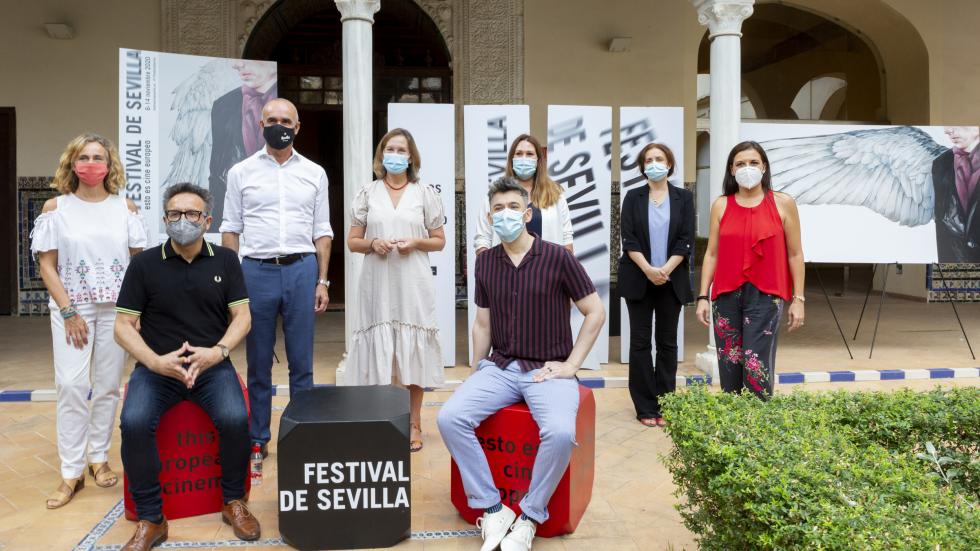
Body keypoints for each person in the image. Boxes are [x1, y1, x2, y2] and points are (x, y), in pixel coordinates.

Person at [437, 177, 605, 551]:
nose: (506, 215)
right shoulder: (486, 264)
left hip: (548, 370)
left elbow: (595, 311)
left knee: (560, 433)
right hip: (501, 367)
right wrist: (475, 370)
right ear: (489, 216)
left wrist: (570, 365)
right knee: (450, 417)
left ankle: (529, 515)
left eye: (513, 208)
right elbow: (482, 323)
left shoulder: (558, 257)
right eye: (498, 209)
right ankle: (493, 508)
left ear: (528, 213)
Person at [114, 183, 258, 550]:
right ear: (164, 220)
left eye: (192, 214)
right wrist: (154, 362)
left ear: (207, 220)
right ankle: (151, 518)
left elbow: (242, 317)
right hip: (157, 367)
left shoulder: (226, 260)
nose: (183, 221)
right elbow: (122, 326)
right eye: (175, 214)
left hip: (211, 364)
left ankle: (233, 501)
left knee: (235, 418)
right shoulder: (144, 264)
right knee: (133, 421)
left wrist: (218, 352)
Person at [30, 133, 147, 509]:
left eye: (99, 157)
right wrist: (68, 311)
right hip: (72, 311)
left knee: (109, 385)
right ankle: (71, 470)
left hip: (116, 309)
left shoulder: (124, 208)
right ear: (72, 164)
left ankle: (98, 457)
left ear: (110, 165)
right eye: (85, 157)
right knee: (71, 384)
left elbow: (138, 265)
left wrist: (136, 311)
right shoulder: (56, 208)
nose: (92, 163)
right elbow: (46, 266)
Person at [220, 98, 333, 458]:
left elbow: (323, 231)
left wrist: (323, 281)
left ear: (297, 127)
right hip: (256, 271)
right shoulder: (241, 172)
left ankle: (302, 433)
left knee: (302, 360)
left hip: (302, 269)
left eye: (286, 120)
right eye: (272, 119)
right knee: (258, 360)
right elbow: (230, 229)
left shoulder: (315, 173)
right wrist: (232, 281)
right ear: (261, 125)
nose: (279, 125)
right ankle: (258, 438)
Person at [346, 128, 446, 452]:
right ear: (381, 155)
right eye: (390, 148)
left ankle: (414, 422)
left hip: (412, 279)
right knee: (383, 352)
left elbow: (439, 240)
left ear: (411, 156)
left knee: (411, 351)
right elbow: (352, 241)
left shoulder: (425, 193)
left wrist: (415, 242)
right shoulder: (367, 192)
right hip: (376, 280)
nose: (395, 154)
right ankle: (384, 418)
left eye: (402, 149)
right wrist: (373, 243)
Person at [695, 141, 805, 399]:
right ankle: (734, 429)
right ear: (731, 170)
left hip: (766, 296)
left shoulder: (783, 203)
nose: (747, 168)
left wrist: (798, 299)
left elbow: (796, 254)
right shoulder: (721, 205)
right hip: (726, 296)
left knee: (756, 366)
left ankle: (757, 426)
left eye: (753, 163)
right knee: (729, 366)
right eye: (740, 164)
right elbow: (711, 253)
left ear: (764, 167)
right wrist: (702, 296)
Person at [618, 143, 694, 426]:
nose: (654, 164)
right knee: (639, 343)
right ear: (642, 167)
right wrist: (649, 269)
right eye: (648, 160)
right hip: (639, 277)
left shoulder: (683, 197)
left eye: (659, 159)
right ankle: (645, 407)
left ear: (669, 164)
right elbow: (629, 239)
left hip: (671, 278)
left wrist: (665, 269)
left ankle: (665, 403)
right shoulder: (633, 197)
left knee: (667, 343)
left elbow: (685, 239)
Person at [474, 134, 573, 254]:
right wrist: (488, 265)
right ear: (512, 159)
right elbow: (482, 238)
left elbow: (567, 237)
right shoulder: (495, 194)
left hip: (547, 269)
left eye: (530, 154)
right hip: (505, 268)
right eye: (519, 153)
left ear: (538, 160)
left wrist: (567, 268)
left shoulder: (556, 193)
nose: (524, 158)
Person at [208, 59, 278, 223]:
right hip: (233, 215)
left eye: (251, 61)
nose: (237, 65)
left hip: (273, 215)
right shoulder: (223, 105)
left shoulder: (285, 104)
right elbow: (216, 170)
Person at [934, 126, 980, 263]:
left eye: (956, 124)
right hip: (953, 265)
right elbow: (941, 223)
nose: (947, 130)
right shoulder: (940, 163)